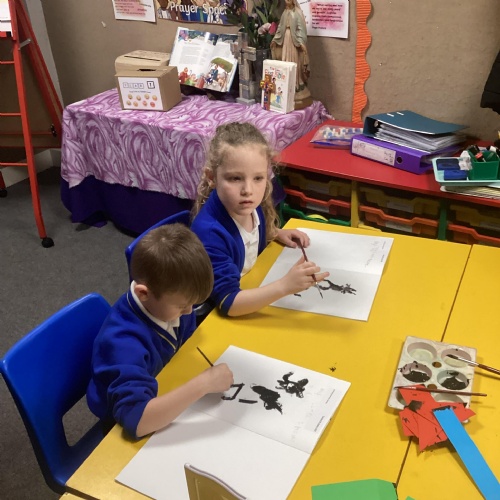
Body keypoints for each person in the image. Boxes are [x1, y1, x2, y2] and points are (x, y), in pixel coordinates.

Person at [86, 224, 234, 439]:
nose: (189, 312)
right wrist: (203, 384)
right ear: (143, 293)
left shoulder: (170, 304)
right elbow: (137, 420)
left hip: (163, 386)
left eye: (192, 304)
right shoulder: (122, 344)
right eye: (182, 306)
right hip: (123, 426)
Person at [191, 122, 329, 317]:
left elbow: (247, 236)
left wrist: (275, 233)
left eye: (258, 178)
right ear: (212, 177)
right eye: (235, 178)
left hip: (252, 287)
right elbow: (229, 303)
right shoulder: (210, 234)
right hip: (218, 317)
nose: (248, 190)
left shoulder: (247, 206)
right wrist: (285, 286)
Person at [270, 0, 312, 108]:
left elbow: (301, 29)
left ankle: (296, 84)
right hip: (285, 41)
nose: (286, 1)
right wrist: (275, 39)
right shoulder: (285, 12)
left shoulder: (297, 12)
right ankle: (286, 85)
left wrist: (301, 42)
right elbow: (280, 28)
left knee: (294, 63)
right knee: (285, 61)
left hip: (294, 44)